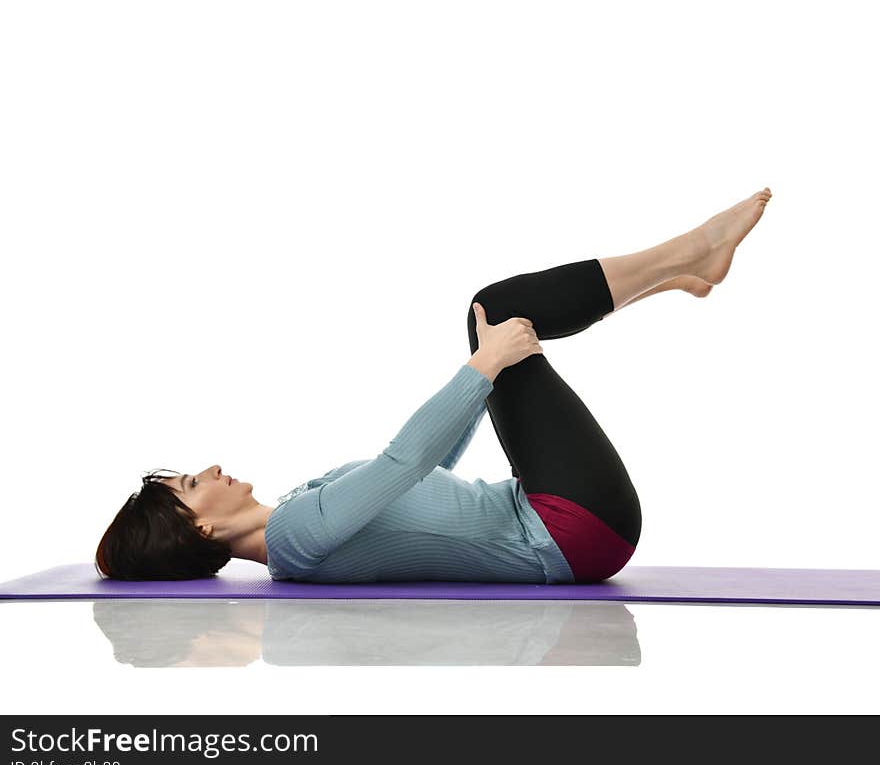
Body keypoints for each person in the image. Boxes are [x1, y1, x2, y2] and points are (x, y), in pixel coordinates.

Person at [95, 188, 772, 583]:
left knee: (493, 323)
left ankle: (681, 270)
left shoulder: (300, 508)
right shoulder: (295, 539)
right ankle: (688, 254)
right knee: (495, 310)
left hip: (554, 518)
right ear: (202, 525)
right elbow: (404, 460)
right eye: (190, 483)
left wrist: (486, 376)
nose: (208, 467)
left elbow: (429, 468)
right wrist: (483, 366)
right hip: (567, 532)